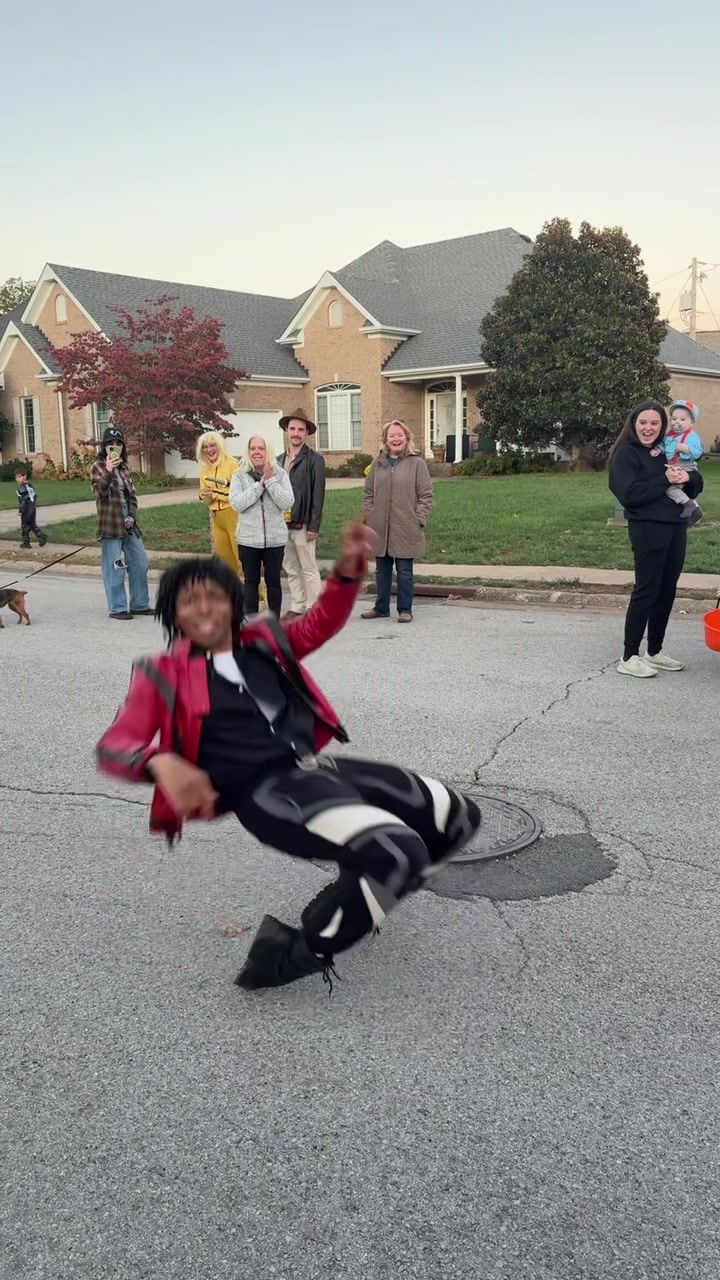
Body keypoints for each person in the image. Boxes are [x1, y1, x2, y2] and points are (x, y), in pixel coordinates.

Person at [94, 524, 482, 992]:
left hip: (311, 770)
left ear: (234, 601)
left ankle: (363, 891)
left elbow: (321, 624)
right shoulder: (160, 674)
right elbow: (116, 745)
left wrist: (348, 571)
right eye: (188, 601)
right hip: (264, 795)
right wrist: (159, 762)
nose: (204, 609)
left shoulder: (261, 640)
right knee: (398, 852)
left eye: (214, 596)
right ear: (172, 614)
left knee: (455, 815)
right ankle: (293, 951)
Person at [608, 400, 704, 678]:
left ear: (662, 426)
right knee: (647, 590)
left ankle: (654, 651)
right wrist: (665, 480)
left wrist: (686, 476)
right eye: (643, 422)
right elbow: (629, 494)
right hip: (648, 529)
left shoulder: (664, 451)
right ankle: (629, 656)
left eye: (655, 423)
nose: (648, 428)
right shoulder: (625, 454)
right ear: (633, 424)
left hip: (676, 527)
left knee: (667, 590)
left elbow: (695, 485)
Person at [361, 420, 434, 623]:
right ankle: (381, 607)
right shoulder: (378, 463)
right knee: (382, 570)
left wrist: (418, 519)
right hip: (380, 527)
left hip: (406, 525)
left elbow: (426, 495)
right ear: (386, 439)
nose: (396, 439)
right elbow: (368, 492)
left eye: (399, 435)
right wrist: (369, 514)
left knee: (404, 571)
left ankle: (405, 609)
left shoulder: (417, 463)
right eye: (392, 435)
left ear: (406, 437)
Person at [90, 426, 153, 621]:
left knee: (140, 561)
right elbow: (99, 493)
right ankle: (117, 608)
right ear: (105, 447)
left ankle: (140, 604)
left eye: (118, 444)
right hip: (110, 522)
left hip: (127, 520)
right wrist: (108, 470)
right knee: (114, 566)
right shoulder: (97, 467)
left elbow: (132, 496)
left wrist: (131, 516)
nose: (114, 447)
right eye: (110, 444)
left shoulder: (125, 469)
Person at [229, 436, 293, 617]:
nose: (256, 452)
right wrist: (260, 485)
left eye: (261, 448)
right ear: (248, 452)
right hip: (248, 540)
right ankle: (251, 622)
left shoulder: (280, 474)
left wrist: (271, 481)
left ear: (268, 451)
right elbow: (237, 503)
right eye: (253, 448)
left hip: (274, 541)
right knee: (251, 581)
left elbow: (287, 502)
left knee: (273, 582)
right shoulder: (240, 475)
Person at [277, 408, 326, 618]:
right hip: (282, 523)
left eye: (300, 429)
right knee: (291, 567)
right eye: (292, 428)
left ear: (306, 433)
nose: (296, 433)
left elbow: (318, 495)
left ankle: (314, 606)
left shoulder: (314, 460)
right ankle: (298, 604)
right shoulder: (279, 460)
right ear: (287, 431)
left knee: (308, 566)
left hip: (303, 522)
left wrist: (314, 526)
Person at [662, 400, 704, 526]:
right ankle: (694, 509)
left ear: (692, 422)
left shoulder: (692, 437)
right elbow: (664, 446)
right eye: (674, 419)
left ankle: (689, 505)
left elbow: (698, 452)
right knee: (673, 488)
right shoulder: (669, 436)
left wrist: (686, 449)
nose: (677, 422)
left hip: (686, 465)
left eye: (682, 419)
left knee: (672, 488)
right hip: (673, 464)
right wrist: (657, 450)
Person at [15, 469, 47, 549]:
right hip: (32, 509)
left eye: (19, 477)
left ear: (25, 476)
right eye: (16, 477)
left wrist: (21, 511)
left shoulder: (22, 489)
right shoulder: (30, 486)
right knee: (32, 525)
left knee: (25, 526)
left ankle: (26, 543)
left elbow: (23, 502)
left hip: (26, 510)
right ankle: (42, 537)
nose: (17, 479)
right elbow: (34, 497)